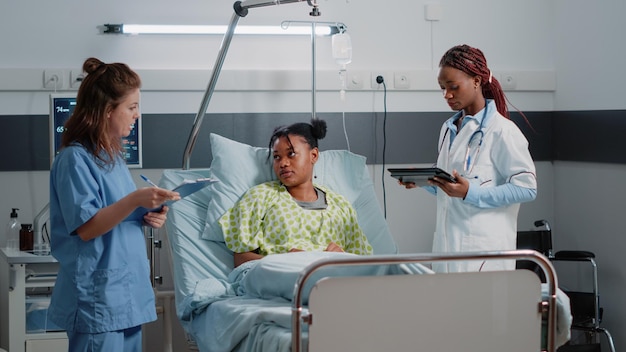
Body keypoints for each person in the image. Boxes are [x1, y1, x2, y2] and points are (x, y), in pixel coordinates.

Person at [48, 57, 180, 351]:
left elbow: (116, 214)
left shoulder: (113, 159)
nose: (137, 115)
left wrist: (147, 215)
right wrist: (135, 199)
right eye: (132, 107)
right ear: (108, 111)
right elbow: (87, 227)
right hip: (98, 298)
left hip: (125, 294)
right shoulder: (74, 159)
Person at [400, 44, 537, 273]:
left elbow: (527, 189)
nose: (447, 95)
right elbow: (453, 185)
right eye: (442, 88)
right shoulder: (449, 128)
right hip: (447, 250)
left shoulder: (502, 130)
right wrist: (425, 181)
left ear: (476, 81)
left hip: (483, 255)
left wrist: (469, 192)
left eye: (453, 87)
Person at [219, 119, 373, 268]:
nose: (283, 163)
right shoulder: (259, 197)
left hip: (330, 278)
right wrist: (285, 261)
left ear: (313, 155)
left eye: (291, 154)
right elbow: (241, 259)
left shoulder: (341, 206)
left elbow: (363, 262)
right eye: (277, 157)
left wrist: (342, 257)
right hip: (279, 275)